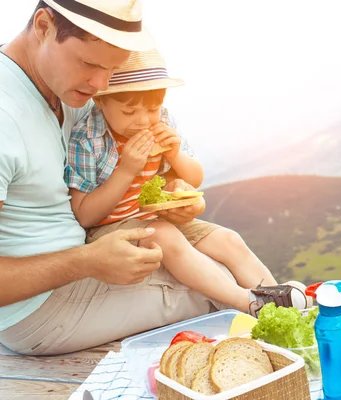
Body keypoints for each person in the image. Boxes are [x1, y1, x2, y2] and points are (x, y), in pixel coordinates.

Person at [0, 0, 301, 356]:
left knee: (230, 257)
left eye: (112, 70)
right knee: (237, 286)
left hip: (85, 265)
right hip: (42, 310)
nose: (100, 85)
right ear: (43, 25)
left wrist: (180, 202)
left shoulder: (60, 84)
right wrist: (86, 260)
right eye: (89, 64)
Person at [65, 47, 311, 315]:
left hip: (154, 218)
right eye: (129, 111)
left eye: (152, 109)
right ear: (101, 102)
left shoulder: (163, 123)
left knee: (228, 239)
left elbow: (194, 178)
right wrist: (126, 170)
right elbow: (85, 216)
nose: (142, 120)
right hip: (110, 229)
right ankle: (249, 303)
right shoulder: (88, 139)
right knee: (164, 234)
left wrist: (175, 157)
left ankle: (284, 309)